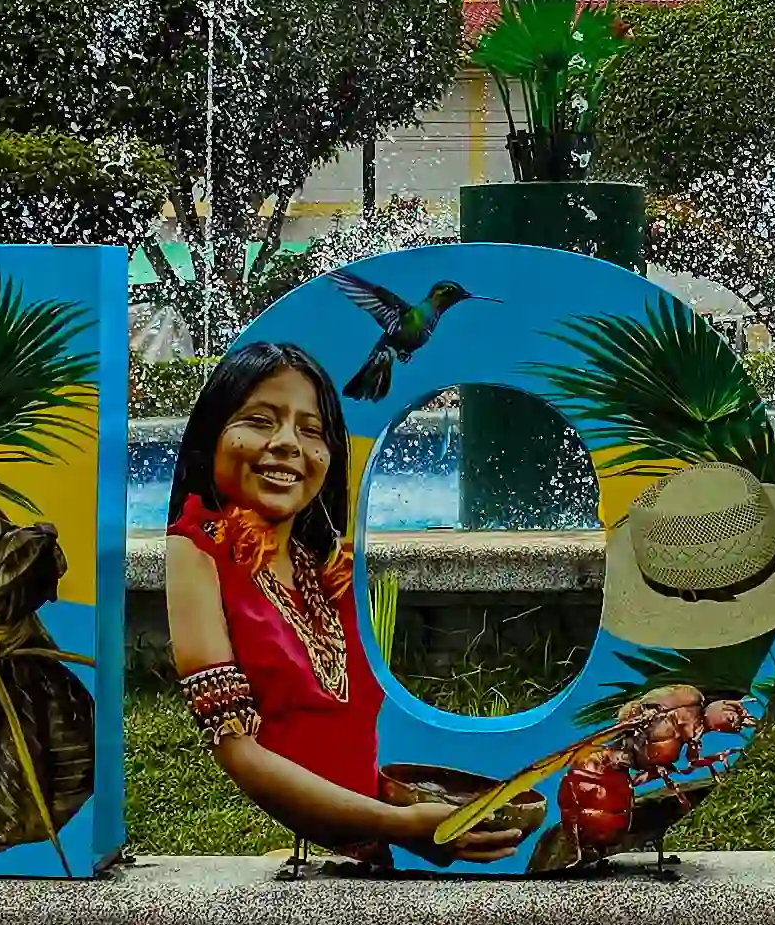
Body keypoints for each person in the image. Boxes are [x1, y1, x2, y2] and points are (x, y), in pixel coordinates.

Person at [160, 342, 525, 864]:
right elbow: (237, 749)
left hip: (377, 853)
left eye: (311, 430)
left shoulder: (322, 568)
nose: (287, 444)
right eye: (260, 420)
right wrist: (400, 825)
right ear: (212, 435)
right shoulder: (197, 549)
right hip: (354, 848)